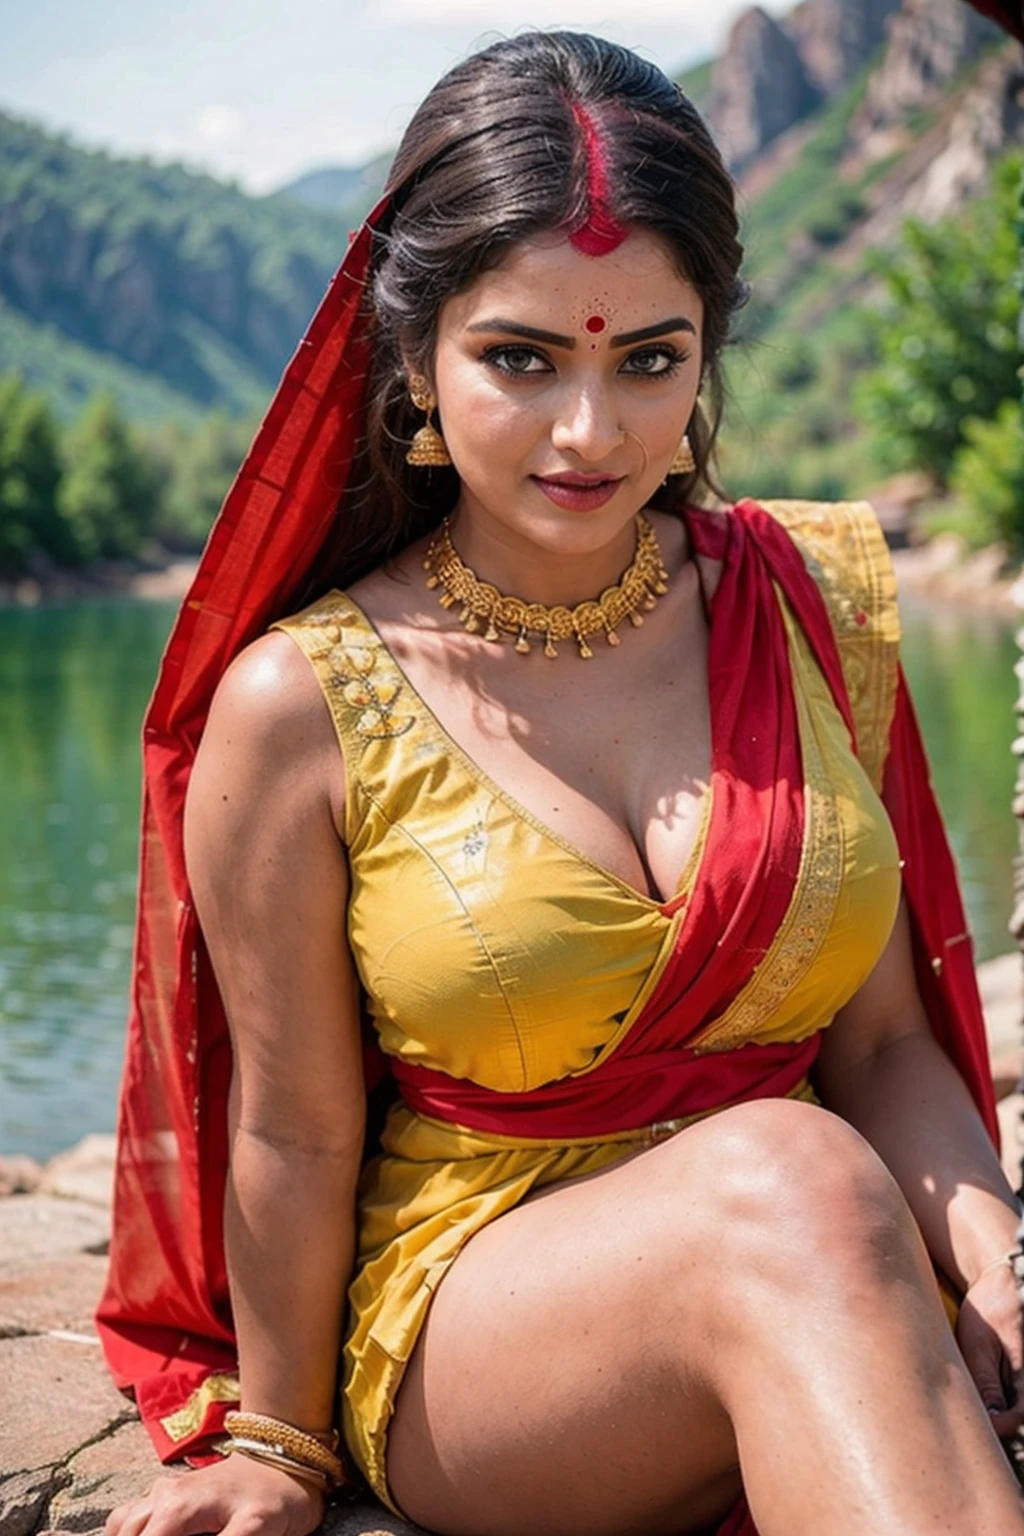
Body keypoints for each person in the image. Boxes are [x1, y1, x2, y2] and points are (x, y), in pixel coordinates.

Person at [98, 32, 1024, 1536]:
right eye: (521, 359)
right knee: (790, 1179)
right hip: (482, 1320)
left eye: (649, 358)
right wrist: (273, 1440)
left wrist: (997, 1259)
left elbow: (886, 1047)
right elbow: (292, 1128)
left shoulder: (813, 605)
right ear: (414, 359)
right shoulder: (305, 705)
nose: (593, 433)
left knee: (803, 1184)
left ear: (707, 352)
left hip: (826, 1249)